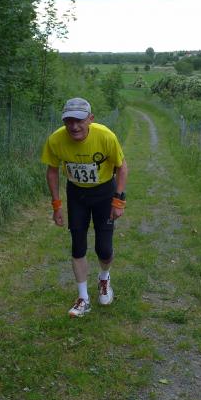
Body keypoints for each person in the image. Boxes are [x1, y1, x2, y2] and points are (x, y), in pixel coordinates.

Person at [41, 97, 128, 317]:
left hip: (104, 193)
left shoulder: (106, 136)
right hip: (77, 194)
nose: (74, 126)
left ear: (90, 119)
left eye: (79, 121)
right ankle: (83, 298)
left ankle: (104, 279)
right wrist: (56, 205)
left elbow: (121, 167)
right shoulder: (56, 139)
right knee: (78, 245)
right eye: (69, 121)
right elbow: (52, 171)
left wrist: (118, 201)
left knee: (104, 249)